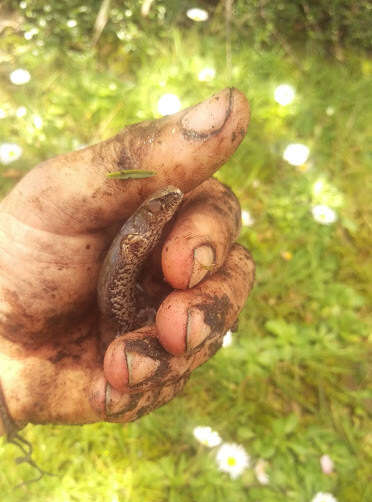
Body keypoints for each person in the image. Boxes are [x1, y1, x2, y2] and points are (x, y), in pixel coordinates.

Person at [0, 87, 254, 435]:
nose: (167, 205)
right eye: (159, 208)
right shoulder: (137, 238)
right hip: (119, 312)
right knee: (165, 320)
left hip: (120, 314)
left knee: (177, 310)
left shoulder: (144, 236)